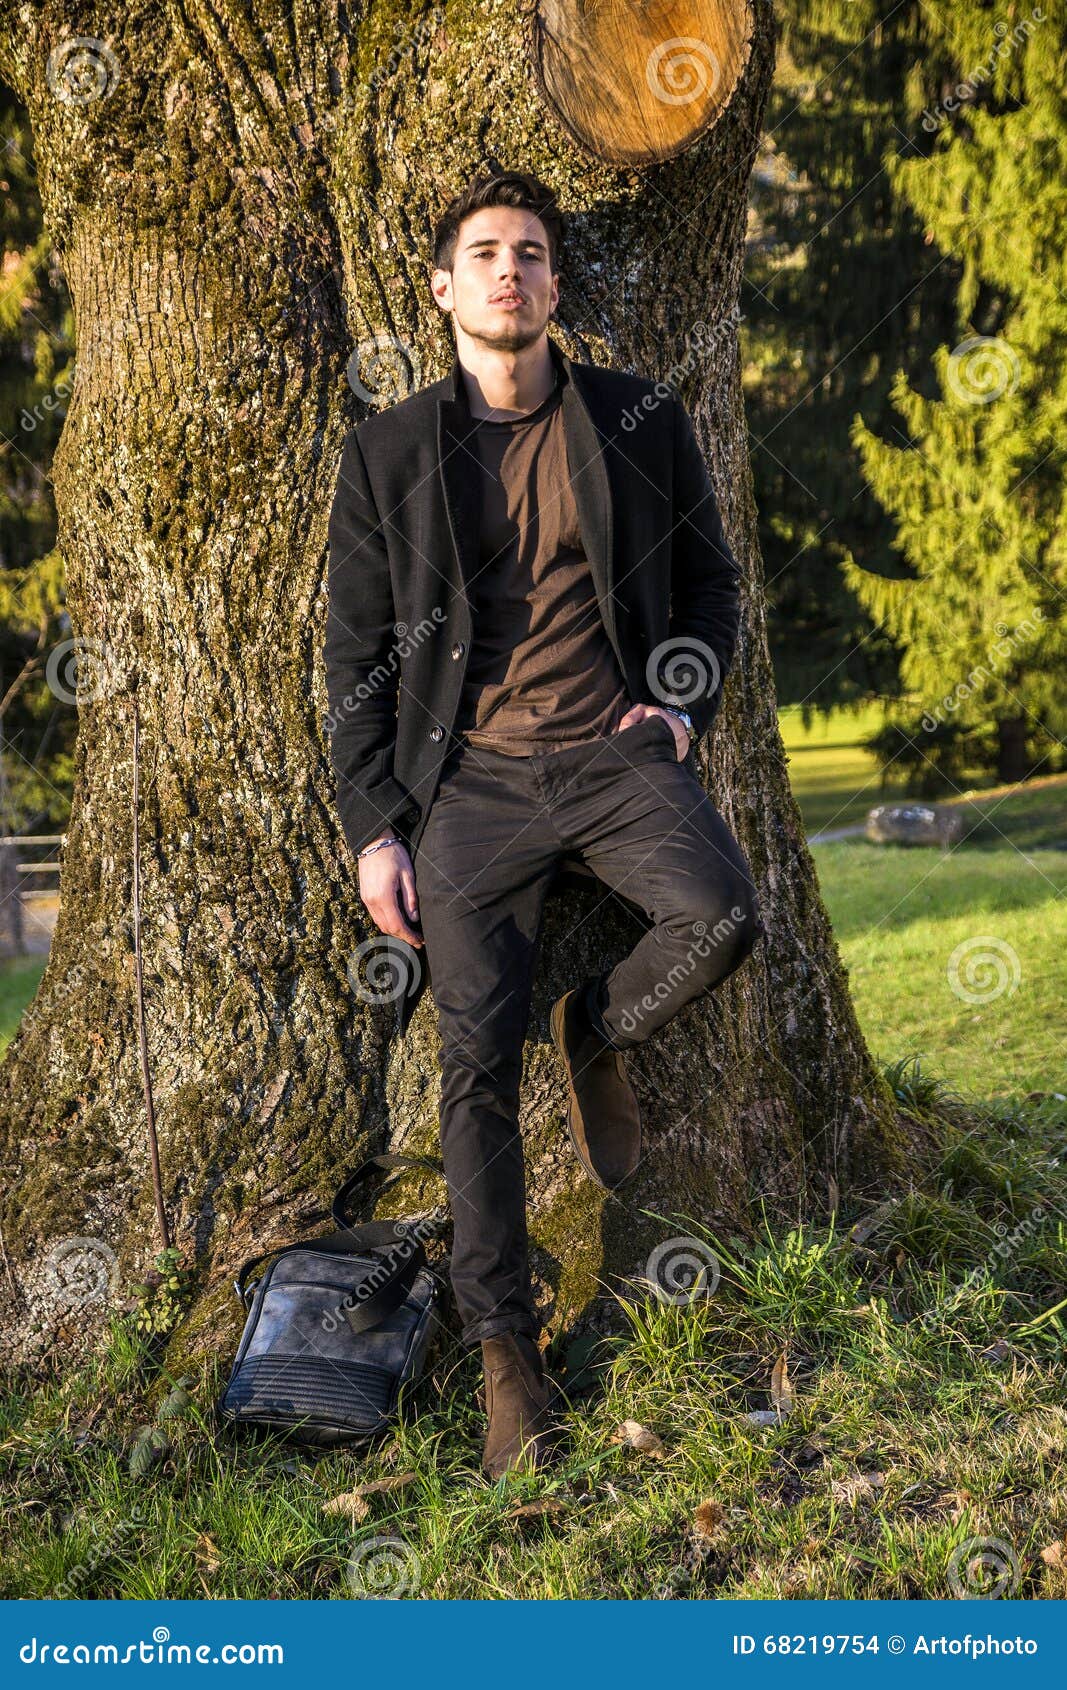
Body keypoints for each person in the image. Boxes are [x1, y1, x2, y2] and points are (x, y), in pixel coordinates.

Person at [324, 169, 764, 1479]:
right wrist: (374, 825)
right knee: (470, 1070)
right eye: (484, 252)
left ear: (556, 284)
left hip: (617, 753)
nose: (509, 269)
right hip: (469, 787)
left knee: (725, 914)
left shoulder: (634, 417)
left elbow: (710, 581)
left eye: (530, 251)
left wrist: (682, 706)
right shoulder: (391, 449)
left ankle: (597, 1025)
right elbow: (353, 647)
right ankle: (507, 1353)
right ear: (447, 288)